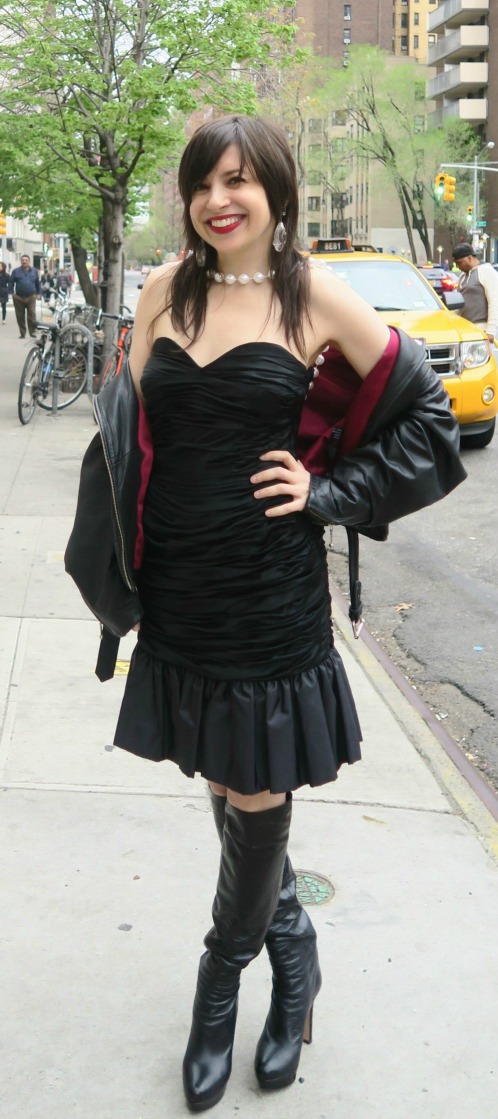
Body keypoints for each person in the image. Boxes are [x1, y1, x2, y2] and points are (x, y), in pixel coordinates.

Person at [66, 115, 466, 1112]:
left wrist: (329, 493)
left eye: (238, 180)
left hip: (268, 593)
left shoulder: (314, 293)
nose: (218, 199)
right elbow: (132, 435)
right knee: (224, 769)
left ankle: (220, 983)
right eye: (204, 182)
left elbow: (427, 418)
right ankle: (296, 951)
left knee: (253, 786)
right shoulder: (164, 291)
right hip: (181, 591)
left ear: (277, 192)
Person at [452, 242, 498, 344]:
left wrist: (490, 331)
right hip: (465, 330)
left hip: (482, 329)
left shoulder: (487, 272)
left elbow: (494, 302)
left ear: (470, 258)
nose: (458, 267)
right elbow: (459, 306)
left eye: (460, 263)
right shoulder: (462, 277)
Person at [8, 254, 41, 338]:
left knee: (32, 315)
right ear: (20, 261)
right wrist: (12, 293)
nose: (24, 261)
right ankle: (22, 333)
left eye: (26, 260)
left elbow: (37, 283)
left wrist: (38, 293)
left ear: (29, 261)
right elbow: (11, 282)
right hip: (19, 297)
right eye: (22, 260)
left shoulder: (34, 271)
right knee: (20, 316)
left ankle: (32, 332)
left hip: (31, 296)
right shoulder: (16, 271)